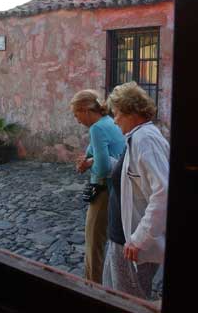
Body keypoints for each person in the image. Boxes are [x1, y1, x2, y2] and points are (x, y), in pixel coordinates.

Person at [103, 81, 169, 300]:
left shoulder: (145, 139)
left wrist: (139, 239)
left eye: (118, 113)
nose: (115, 119)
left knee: (129, 302)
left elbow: (163, 192)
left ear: (132, 112)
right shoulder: (138, 136)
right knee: (114, 296)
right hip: (121, 237)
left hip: (130, 243)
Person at [70, 89, 125, 284]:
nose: (77, 120)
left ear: (85, 110)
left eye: (76, 115)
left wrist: (89, 163)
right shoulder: (109, 121)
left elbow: (102, 168)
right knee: (105, 240)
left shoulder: (97, 128)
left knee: (94, 243)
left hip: (103, 191)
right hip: (116, 191)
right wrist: (88, 160)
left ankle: (93, 288)